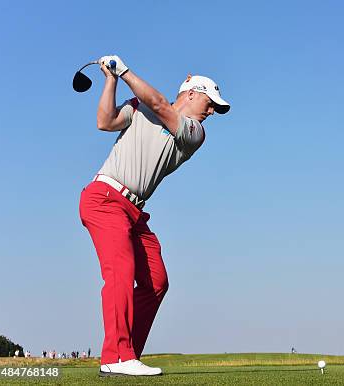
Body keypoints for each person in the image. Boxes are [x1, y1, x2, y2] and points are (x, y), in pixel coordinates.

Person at [79, 55, 230, 377]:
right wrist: (111, 79)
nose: (213, 110)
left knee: (156, 282)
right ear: (191, 93)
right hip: (104, 198)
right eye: (210, 102)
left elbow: (161, 105)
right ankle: (117, 356)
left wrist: (125, 70)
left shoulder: (194, 133)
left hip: (134, 212)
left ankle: (126, 353)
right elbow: (104, 122)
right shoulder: (139, 107)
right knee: (121, 271)